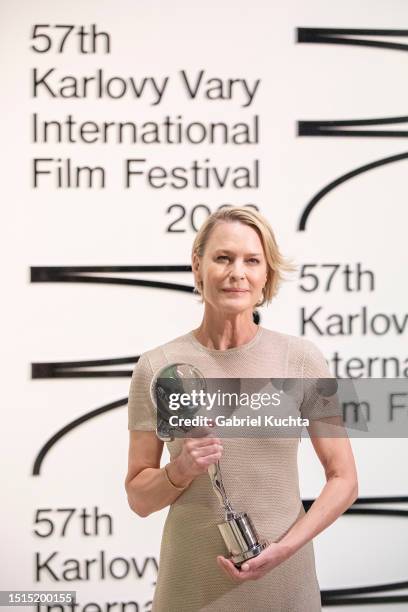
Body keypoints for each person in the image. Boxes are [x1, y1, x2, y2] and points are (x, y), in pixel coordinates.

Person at [125, 206, 358, 612]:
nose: (238, 272)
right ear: (198, 267)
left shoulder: (300, 360)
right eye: (223, 258)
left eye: (252, 260)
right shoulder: (160, 367)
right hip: (190, 592)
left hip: (286, 588)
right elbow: (139, 499)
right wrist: (180, 470)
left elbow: (344, 479)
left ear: (266, 273)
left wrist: (285, 549)